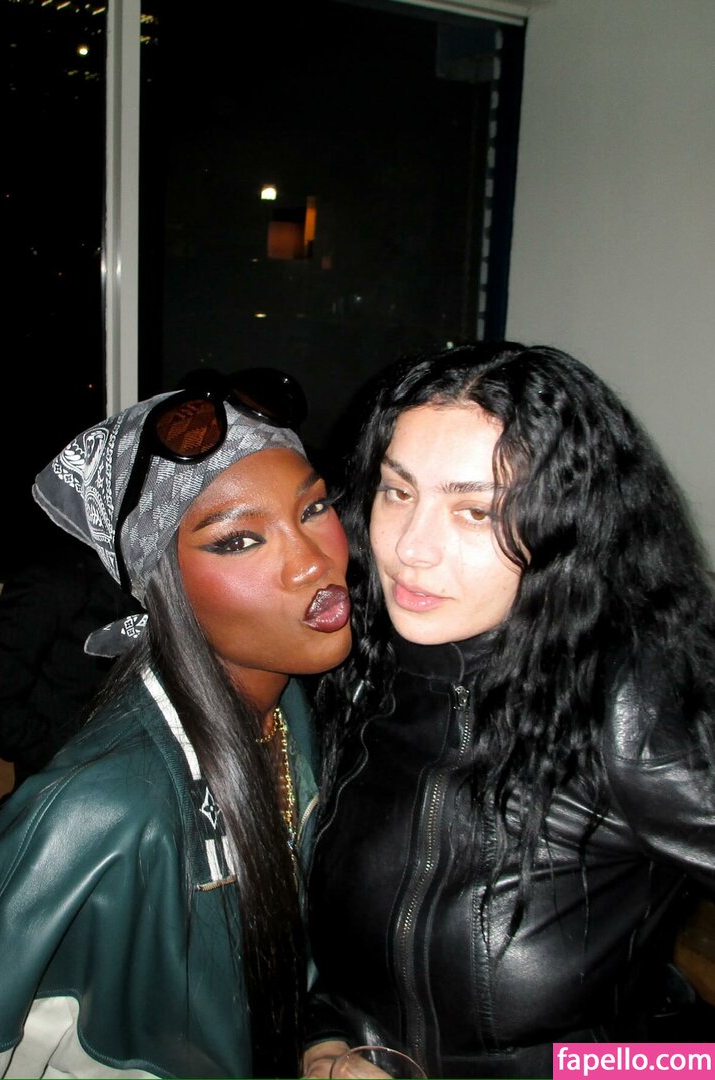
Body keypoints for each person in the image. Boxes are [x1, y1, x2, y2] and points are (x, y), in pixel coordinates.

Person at [0, 367, 352, 1078]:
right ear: (159, 584)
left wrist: (322, 1039)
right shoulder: (100, 809)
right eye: (239, 540)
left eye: (314, 507)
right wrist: (100, 773)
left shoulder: (295, 709)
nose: (310, 563)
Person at [302, 342, 715, 1079]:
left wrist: (637, 1070)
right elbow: (344, 954)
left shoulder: (632, 708)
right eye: (398, 492)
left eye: (476, 511)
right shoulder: (358, 675)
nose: (411, 549)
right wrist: (327, 1038)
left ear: (567, 525)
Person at [0, 524, 144, 789]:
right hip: (68, 787)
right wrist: (78, 753)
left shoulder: (151, 575)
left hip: (139, 776)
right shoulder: (52, 580)